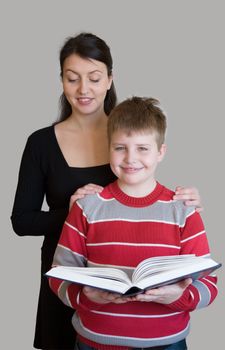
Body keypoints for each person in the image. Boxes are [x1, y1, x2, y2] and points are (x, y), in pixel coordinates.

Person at [11, 32, 203, 350]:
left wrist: (185, 200)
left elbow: (146, 192)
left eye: (95, 78)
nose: (84, 89)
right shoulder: (40, 143)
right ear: (61, 81)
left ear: (110, 79)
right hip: (68, 275)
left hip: (129, 278)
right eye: (73, 79)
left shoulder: (127, 132)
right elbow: (21, 221)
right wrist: (71, 213)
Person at [49, 96, 218, 350]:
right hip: (94, 341)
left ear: (160, 152)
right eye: (120, 148)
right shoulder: (87, 207)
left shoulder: (183, 210)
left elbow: (209, 284)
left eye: (142, 148)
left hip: (167, 343)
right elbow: (58, 276)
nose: (130, 158)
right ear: (109, 149)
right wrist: (83, 296)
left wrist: (180, 297)